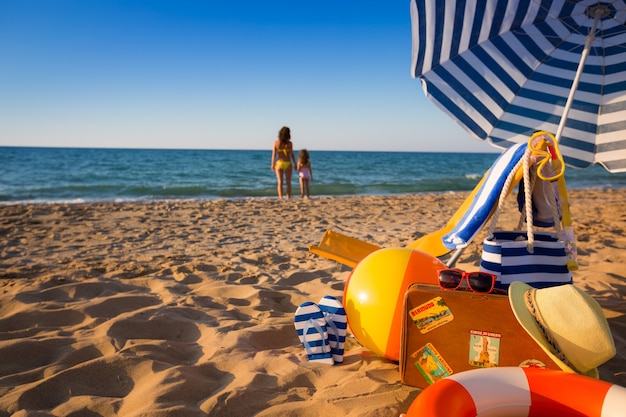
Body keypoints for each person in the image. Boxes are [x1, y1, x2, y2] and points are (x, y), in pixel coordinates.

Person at [271, 126, 296, 199]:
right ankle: (288, 197)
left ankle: (281, 198)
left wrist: (272, 163)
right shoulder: (290, 143)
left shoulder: (276, 143)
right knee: (288, 183)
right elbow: (291, 154)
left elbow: (274, 154)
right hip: (288, 163)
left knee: (280, 182)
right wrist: (295, 163)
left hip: (279, 163)